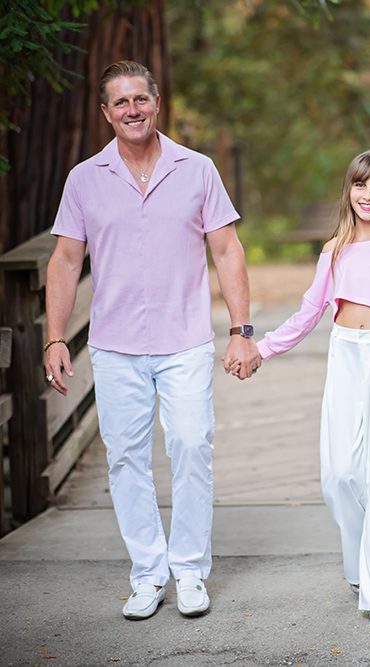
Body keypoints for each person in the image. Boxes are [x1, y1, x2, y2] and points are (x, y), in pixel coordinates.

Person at [43, 60, 260, 620]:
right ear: (105, 112)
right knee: (125, 460)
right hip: (115, 345)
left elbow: (227, 251)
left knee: (191, 445)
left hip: (185, 340)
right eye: (121, 102)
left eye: (140, 99)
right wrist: (55, 338)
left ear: (157, 103)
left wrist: (241, 332)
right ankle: (148, 573)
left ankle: (188, 570)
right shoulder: (84, 178)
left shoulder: (198, 169)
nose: (132, 110)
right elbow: (65, 261)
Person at [254, 150, 370, 629]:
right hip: (346, 355)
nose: (368, 195)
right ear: (349, 190)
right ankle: (361, 564)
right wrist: (263, 349)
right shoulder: (335, 248)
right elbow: (309, 311)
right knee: (340, 473)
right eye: (361, 185)